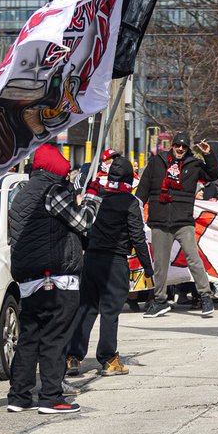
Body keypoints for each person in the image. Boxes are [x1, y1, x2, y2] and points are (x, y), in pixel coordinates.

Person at [7, 143, 100, 415]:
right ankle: (50, 397)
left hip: (29, 279)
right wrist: (92, 198)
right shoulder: (53, 192)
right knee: (55, 338)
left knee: (29, 338)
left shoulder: (22, 194)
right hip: (57, 277)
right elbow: (82, 222)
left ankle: (19, 395)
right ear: (55, 169)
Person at [65, 157, 154, 377]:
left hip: (92, 259)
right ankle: (108, 359)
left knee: (86, 309)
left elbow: (83, 227)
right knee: (110, 312)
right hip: (115, 261)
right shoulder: (130, 203)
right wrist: (148, 266)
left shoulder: (98, 197)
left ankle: (72, 357)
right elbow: (137, 236)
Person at [136, 132, 216, 318]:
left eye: (184, 147)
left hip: (183, 220)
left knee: (193, 259)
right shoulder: (157, 161)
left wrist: (208, 154)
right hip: (160, 220)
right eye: (177, 145)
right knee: (160, 264)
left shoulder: (194, 164)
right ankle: (160, 301)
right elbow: (143, 187)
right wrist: (136, 209)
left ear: (188, 149)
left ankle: (205, 296)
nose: (180, 149)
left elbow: (213, 174)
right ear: (171, 146)